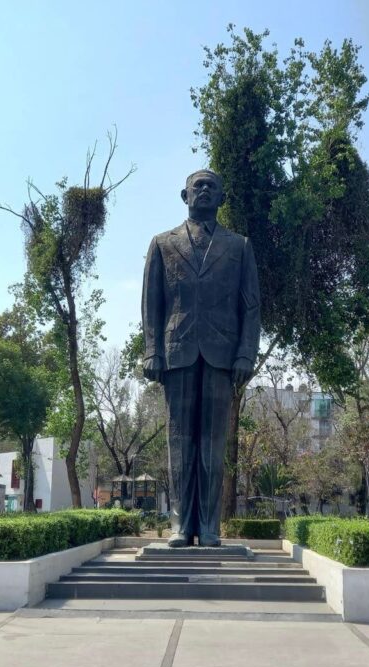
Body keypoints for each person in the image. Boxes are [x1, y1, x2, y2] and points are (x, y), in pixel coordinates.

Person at [141, 170, 261, 547]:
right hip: (177, 353)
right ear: (184, 195)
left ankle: (208, 527)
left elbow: (251, 305)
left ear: (222, 198)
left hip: (223, 354)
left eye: (212, 187)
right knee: (180, 443)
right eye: (198, 186)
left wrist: (246, 352)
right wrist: (152, 350)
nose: (204, 191)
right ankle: (180, 525)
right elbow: (152, 304)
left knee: (212, 443)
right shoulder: (162, 244)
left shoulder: (240, 246)